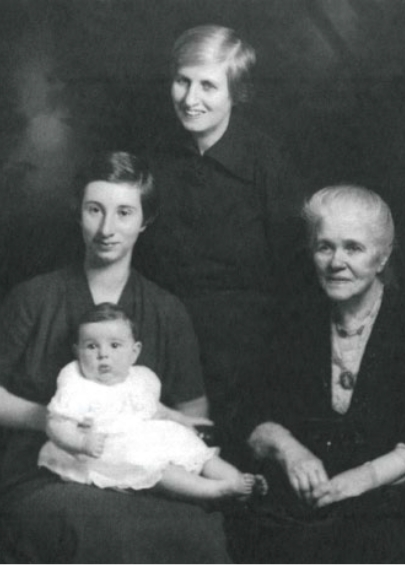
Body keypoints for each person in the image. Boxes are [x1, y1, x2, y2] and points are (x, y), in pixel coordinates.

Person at [0, 151, 233, 563]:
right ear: (78, 213)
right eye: (95, 210)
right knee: (107, 531)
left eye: (124, 213)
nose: (107, 229)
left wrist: (154, 440)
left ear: (144, 220)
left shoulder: (166, 310)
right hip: (45, 473)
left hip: (142, 474)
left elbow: (193, 412)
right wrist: (59, 424)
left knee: (200, 534)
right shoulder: (33, 299)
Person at [135, 25, 308, 456]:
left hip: (250, 354)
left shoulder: (267, 163)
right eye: (182, 81)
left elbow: (296, 275)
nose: (190, 98)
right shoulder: (152, 161)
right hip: (167, 343)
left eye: (208, 85)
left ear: (237, 92)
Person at [240, 185, 405, 563]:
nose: (337, 262)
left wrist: (361, 479)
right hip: (301, 509)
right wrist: (289, 450)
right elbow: (251, 418)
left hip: (389, 512)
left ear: (383, 256)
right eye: (325, 247)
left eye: (353, 248)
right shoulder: (291, 320)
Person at [39, 302, 266, 501]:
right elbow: (56, 424)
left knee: (192, 447)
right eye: (91, 346)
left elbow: (153, 408)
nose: (103, 354)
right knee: (159, 468)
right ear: (77, 352)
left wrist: (181, 419)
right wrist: (81, 443)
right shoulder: (77, 382)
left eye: (114, 345)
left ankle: (236, 480)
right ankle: (215, 490)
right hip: (108, 448)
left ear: (134, 352)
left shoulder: (140, 378)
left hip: (145, 436)